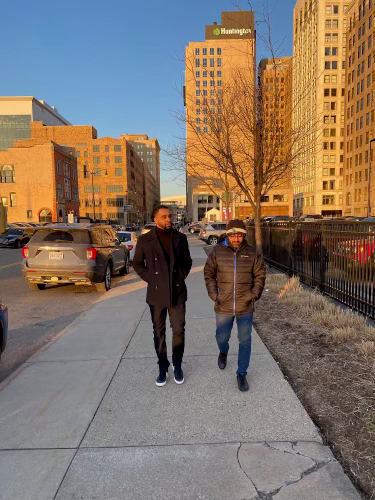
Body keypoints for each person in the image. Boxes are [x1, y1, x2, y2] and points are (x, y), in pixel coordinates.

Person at [133, 205, 192, 386]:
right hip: (156, 293)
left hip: (177, 292)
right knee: (158, 332)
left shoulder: (180, 238)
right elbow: (137, 263)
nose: (169, 220)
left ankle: (177, 364)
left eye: (170, 216)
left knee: (179, 330)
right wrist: (151, 279)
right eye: (164, 217)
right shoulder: (145, 240)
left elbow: (187, 261)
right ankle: (162, 366)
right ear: (155, 219)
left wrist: (181, 276)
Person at [204, 219, 266, 391]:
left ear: (243, 236)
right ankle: (223, 351)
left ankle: (241, 373)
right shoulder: (217, 251)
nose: (237, 239)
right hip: (223, 304)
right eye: (234, 235)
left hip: (245, 305)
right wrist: (214, 294)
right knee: (221, 337)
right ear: (228, 235)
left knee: (245, 340)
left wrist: (253, 295)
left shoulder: (252, 253)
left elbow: (260, 275)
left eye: (240, 235)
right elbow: (209, 273)